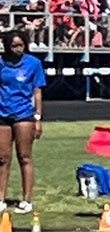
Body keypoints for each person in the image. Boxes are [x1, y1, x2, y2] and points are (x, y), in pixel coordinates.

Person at [0, 30, 45, 214]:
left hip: (24, 113)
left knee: (24, 157)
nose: (18, 49)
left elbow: (37, 91)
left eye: (21, 45)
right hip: (2, 113)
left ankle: (27, 200)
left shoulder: (33, 64)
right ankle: (1, 198)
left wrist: (38, 117)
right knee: (2, 158)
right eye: (14, 46)